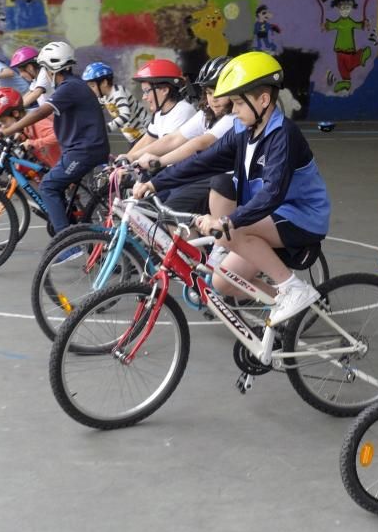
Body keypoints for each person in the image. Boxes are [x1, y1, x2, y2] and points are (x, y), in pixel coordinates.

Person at [132, 52, 330, 326]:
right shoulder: (243, 130)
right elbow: (203, 162)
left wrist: (228, 221)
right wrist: (155, 182)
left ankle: (292, 288)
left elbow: (272, 193)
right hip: (270, 216)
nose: (233, 109)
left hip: (300, 216)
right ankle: (298, 307)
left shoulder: (283, 135)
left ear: (263, 100)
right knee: (222, 282)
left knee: (231, 231)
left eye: (238, 102)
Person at [0, 41, 109, 239]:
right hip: (79, 149)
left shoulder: (70, 87)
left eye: (44, 69)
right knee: (64, 188)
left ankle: (65, 243)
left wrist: (9, 129)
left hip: (85, 151)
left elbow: (40, 112)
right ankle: (74, 229)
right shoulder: (70, 86)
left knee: (48, 187)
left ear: (53, 69)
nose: (43, 74)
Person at [130, 56, 237, 214]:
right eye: (208, 92)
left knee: (172, 210)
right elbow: (174, 138)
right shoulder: (206, 113)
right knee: (159, 208)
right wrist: (131, 157)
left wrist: (159, 161)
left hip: (221, 178)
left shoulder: (233, 117)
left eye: (220, 93)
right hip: (198, 173)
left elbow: (200, 144)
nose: (213, 99)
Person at [126, 59, 196, 157]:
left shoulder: (183, 111)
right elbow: (147, 140)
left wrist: (131, 158)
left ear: (164, 90)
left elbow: (166, 144)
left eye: (147, 91)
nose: (144, 97)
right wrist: (123, 160)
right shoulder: (159, 114)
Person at [0, 87, 60, 169]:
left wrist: (32, 143)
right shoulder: (25, 128)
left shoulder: (37, 122)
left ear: (15, 114)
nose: (3, 126)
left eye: (4, 121)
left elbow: (58, 136)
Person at [82, 61, 149, 147]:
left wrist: (106, 128)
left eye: (92, 86)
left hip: (143, 132)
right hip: (132, 136)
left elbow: (125, 115)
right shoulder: (103, 97)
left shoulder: (118, 93)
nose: (91, 90)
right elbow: (95, 110)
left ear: (104, 83)